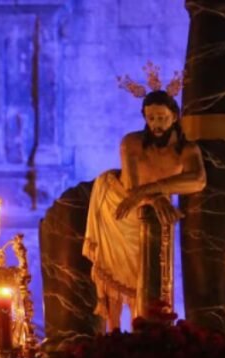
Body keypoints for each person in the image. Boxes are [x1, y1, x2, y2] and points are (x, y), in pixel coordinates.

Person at [83, 80, 206, 331]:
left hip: (147, 204)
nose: (156, 125)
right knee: (115, 274)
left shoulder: (187, 150)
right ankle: (114, 333)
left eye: (161, 118)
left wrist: (154, 193)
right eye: (151, 118)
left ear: (174, 117)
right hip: (117, 202)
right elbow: (131, 186)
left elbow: (198, 180)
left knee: (147, 271)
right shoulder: (132, 142)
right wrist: (159, 195)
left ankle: (145, 333)